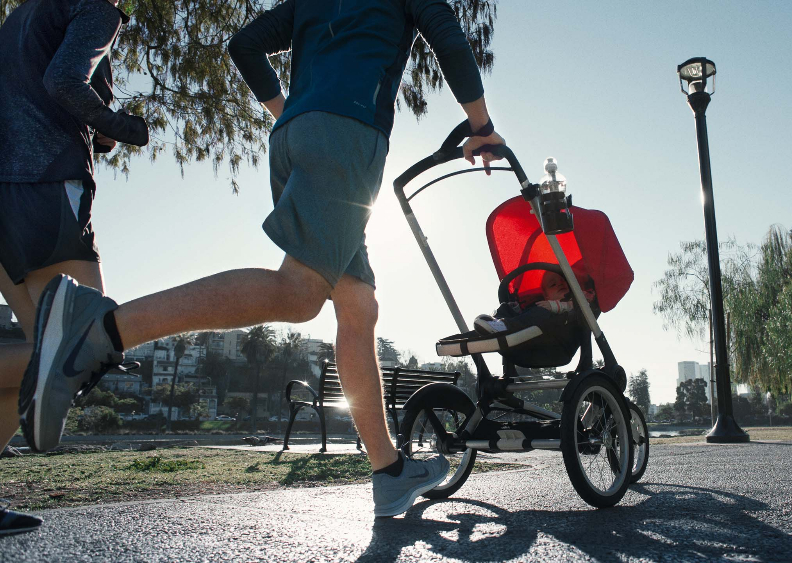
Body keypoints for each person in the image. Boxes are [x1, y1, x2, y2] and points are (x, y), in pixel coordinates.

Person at [18, 0, 504, 518]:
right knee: (299, 294)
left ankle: (388, 472)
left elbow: (243, 44)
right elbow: (449, 40)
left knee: (358, 308)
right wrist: (482, 125)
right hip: (348, 135)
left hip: (295, 136)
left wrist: (289, 110)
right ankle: (99, 331)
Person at [0, 0, 146, 534]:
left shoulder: (20, 18)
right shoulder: (95, 7)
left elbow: (57, 90)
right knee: (87, 341)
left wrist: (101, 128)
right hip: (41, 182)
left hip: (7, 187)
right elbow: (65, 81)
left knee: (43, 353)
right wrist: (125, 126)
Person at [474, 270, 596, 334]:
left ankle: (503, 325)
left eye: (565, 281)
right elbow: (528, 316)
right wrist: (517, 309)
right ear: (546, 295)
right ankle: (495, 321)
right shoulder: (542, 303)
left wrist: (555, 306)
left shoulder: (576, 300)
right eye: (553, 284)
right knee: (507, 307)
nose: (560, 283)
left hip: (553, 336)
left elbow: (586, 302)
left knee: (541, 312)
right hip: (525, 326)